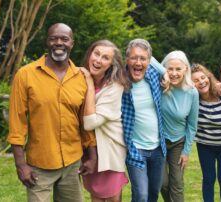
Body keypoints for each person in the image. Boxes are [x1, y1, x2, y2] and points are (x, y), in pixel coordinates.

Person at [7, 23, 97, 202]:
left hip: (72, 164)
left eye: (64, 39)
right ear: (46, 42)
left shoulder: (80, 78)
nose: (58, 43)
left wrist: (92, 156)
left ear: (72, 43)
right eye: (53, 38)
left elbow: (83, 121)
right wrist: (20, 164)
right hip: (39, 166)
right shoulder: (25, 75)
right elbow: (17, 122)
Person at [80, 40, 129, 202]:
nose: (98, 60)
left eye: (105, 57)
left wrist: (88, 82)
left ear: (111, 64)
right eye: (96, 54)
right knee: (95, 195)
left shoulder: (115, 86)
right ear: (90, 54)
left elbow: (90, 123)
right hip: (89, 149)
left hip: (110, 149)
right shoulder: (78, 79)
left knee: (113, 197)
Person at [121, 38, 167, 202]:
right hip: (135, 148)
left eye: (143, 58)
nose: (138, 62)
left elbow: (182, 74)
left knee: (153, 193)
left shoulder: (154, 75)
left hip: (158, 148)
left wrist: (166, 73)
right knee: (141, 195)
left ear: (149, 61)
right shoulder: (119, 79)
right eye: (134, 58)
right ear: (127, 59)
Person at [156, 51, 199, 202]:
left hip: (178, 143)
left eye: (178, 69)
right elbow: (149, 58)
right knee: (162, 184)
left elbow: (192, 126)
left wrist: (186, 151)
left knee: (177, 184)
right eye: (170, 69)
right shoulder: (159, 86)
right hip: (157, 142)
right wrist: (163, 73)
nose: (174, 73)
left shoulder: (192, 92)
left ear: (186, 69)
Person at [191, 64, 221, 202]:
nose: (201, 82)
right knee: (208, 179)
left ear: (208, 77)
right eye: (196, 80)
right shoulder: (192, 100)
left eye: (203, 77)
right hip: (205, 145)